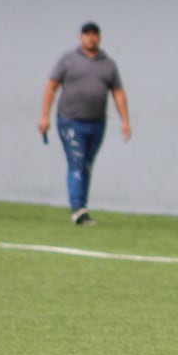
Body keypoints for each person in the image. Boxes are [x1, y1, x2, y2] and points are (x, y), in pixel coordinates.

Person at [38, 21, 131, 226]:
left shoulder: (108, 64)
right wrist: (44, 116)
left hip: (96, 122)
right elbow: (51, 86)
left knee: (86, 164)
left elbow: (118, 93)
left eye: (95, 34)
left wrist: (125, 121)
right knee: (77, 162)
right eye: (87, 34)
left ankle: (81, 206)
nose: (91, 38)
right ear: (81, 37)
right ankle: (78, 209)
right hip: (70, 120)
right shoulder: (68, 60)